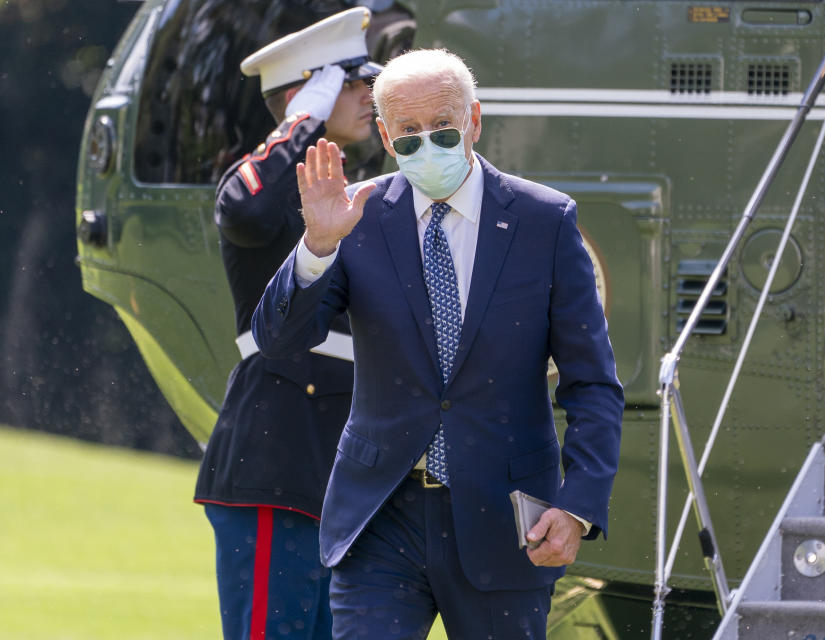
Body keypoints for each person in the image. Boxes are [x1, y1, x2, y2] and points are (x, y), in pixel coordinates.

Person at [252, 48, 625, 639]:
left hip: (504, 520)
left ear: (474, 120)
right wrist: (317, 247)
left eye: (444, 127)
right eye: (409, 132)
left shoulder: (544, 221)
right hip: (380, 517)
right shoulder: (357, 216)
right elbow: (278, 340)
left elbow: (594, 384)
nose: (428, 143)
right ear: (385, 134)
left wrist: (578, 504)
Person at [192, 9, 381, 640]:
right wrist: (304, 117)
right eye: (350, 82)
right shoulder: (258, 188)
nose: (367, 95)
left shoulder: (355, 193)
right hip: (280, 459)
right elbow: (245, 208)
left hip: (340, 471)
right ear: (312, 90)